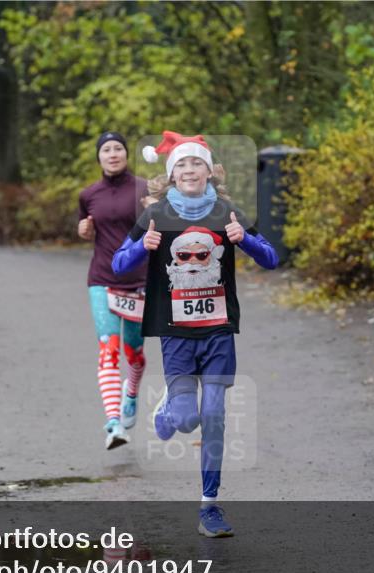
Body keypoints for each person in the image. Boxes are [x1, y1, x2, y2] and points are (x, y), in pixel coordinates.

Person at [112, 132, 279, 537]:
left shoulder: (226, 211)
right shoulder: (157, 215)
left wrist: (247, 241)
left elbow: (272, 258)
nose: (189, 170)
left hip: (219, 329)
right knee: (187, 419)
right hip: (176, 333)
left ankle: (210, 506)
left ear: (209, 171)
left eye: (196, 164)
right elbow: (119, 264)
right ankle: (168, 411)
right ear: (172, 176)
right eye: (181, 165)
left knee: (215, 416)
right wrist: (142, 248)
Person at [78, 132, 151, 450]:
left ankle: (131, 390)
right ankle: (113, 424)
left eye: (118, 148)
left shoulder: (145, 189)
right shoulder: (88, 194)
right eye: (106, 150)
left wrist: (155, 211)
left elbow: (163, 227)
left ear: (126, 154)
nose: (112, 154)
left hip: (139, 280)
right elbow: (86, 228)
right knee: (108, 349)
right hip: (102, 278)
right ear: (99, 157)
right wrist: (83, 230)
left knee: (134, 353)